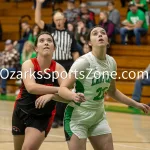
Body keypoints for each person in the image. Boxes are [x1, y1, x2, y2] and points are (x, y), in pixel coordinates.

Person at [58, 26, 150, 150]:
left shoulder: (111, 62)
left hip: (98, 116)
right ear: (90, 42)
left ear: (108, 40)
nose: (100, 35)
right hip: (77, 116)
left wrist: (136, 104)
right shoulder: (83, 62)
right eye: (95, 33)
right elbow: (62, 88)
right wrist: (73, 95)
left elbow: (113, 91)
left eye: (103, 33)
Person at [12, 32, 73, 150]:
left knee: (28, 148)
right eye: (42, 41)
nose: (46, 43)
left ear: (54, 48)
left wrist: (51, 95)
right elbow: (31, 87)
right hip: (21, 111)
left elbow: (69, 95)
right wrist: (58, 89)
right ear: (36, 48)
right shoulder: (28, 64)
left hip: (42, 116)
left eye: (49, 41)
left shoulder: (59, 69)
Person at [35, 0, 80, 128]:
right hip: (53, 65)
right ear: (54, 21)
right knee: (53, 92)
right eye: (56, 20)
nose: (58, 21)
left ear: (64, 19)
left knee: (64, 92)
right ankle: (53, 117)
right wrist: (38, 4)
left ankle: (61, 117)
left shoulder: (70, 34)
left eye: (60, 19)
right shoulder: (50, 30)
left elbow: (74, 51)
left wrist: (76, 66)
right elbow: (38, 21)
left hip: (67, 64)